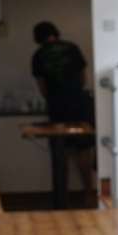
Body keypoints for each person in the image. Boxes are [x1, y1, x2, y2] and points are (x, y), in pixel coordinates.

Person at [29, 21, 95, 197]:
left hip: (57, 106)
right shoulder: (72, 48)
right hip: (79, 104)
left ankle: (61, 197)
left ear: (37, 37)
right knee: (83, 150)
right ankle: (89, 194)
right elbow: (83, 77)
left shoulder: (39, 55)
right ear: (56, 33)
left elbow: (42, 87)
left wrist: (54, 98)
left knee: (61, 150)